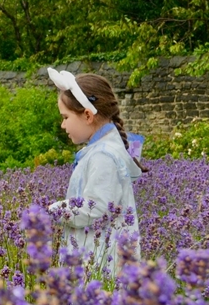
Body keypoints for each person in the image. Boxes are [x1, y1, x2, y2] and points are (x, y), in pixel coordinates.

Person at [47, 68, 147, 276]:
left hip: (101, 266)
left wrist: (54, 210)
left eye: (65, 117)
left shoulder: (103, 156)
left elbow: (95, 208)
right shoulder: (99, 151)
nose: (62, 125)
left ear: (87, 115)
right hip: (97, 259)